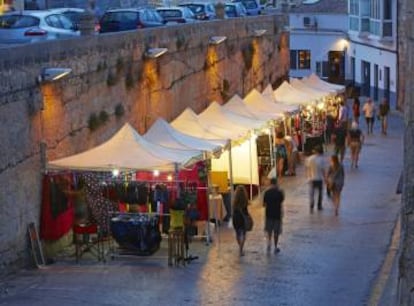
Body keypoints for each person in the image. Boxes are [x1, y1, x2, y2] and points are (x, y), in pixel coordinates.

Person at [263, 177, 284, 254]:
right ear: (276, 183)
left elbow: (264, 204)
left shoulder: (267, 192)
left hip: (268, 214)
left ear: (270, 183)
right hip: (277, 214)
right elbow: (282, 201)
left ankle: (268, 244)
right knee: (276, 232)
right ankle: (275, 246)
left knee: (269, 231)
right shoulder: (280, 192)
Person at [305, 145, 326, 212]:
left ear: (315, 151)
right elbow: (323, 170)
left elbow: (307, 169)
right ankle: (319, 206)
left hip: (311, 178)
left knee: (311, 193)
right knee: (320, 193)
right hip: (319, 178)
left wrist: (308, 177)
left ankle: (311, 205)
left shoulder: (309, 158)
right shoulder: (322, 159)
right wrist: (325, 178)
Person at [232, 185, 250, 256]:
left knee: (238, 234)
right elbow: (246, 210)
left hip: (236, 217)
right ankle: (241, 249)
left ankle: (240, 247)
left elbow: (233, 209)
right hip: (243, 218)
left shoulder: (234, 201)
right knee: (244, 234)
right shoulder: (245, 200)